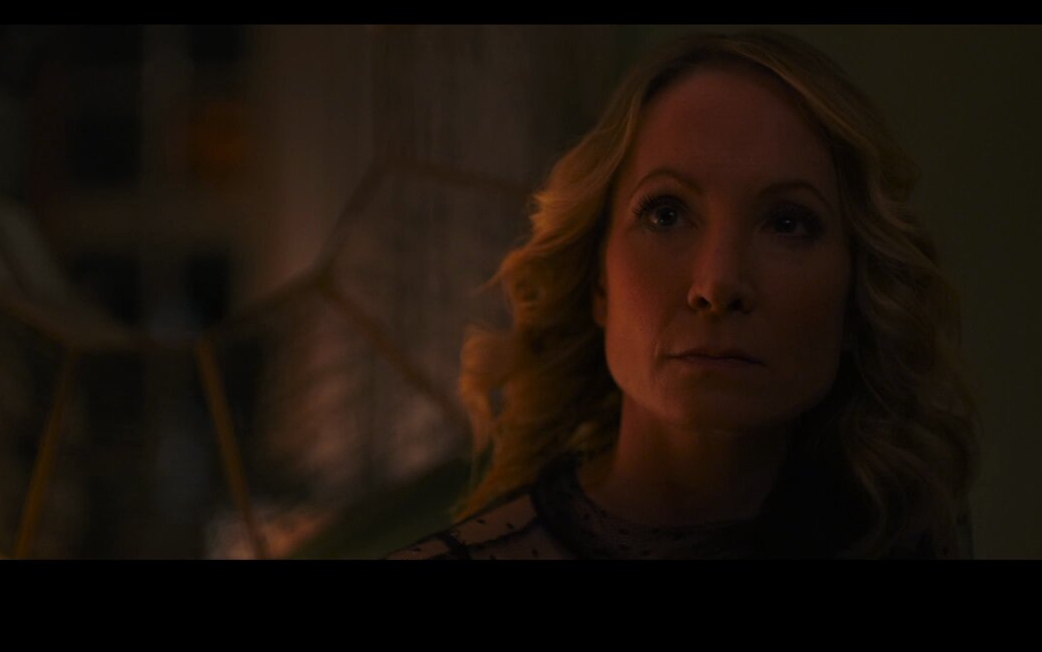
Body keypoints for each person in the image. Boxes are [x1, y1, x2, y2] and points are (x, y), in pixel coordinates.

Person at [387, 29, 978, 559]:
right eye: (666, 214)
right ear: (599, 280)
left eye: (787, 223)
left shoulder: (912, 539)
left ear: (855, 295)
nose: (716, 284)